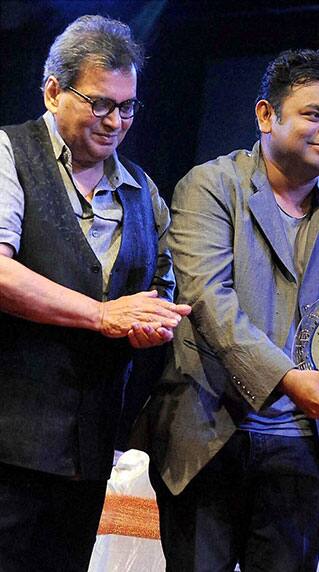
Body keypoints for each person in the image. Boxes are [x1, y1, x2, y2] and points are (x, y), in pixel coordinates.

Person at [132, 49, 319, 570]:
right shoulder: (210, 186)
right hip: (208, 436)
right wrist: (288, 379)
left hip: (299, 451)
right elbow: (206, 302)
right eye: (315, 114)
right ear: (267, 115)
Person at [0, 15, 190, 572]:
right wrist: (103, 315)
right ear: (53, 90)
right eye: (99, 103)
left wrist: (152, 322)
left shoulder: (140, 188)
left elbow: (157, 286)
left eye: (127, 107)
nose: (116, 121)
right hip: (9, 443)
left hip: (87, 451)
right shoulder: (11, 153)